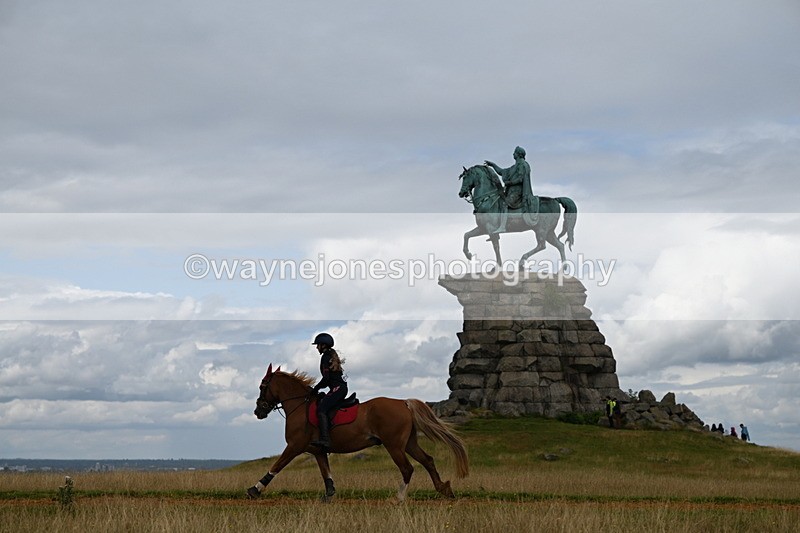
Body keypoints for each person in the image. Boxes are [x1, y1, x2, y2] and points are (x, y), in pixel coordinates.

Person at [484, 146, 538, 232]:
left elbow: (520, 179)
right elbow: (502, 171)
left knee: (504, 204)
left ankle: (502, 227)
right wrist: (493, 165)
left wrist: (510, 183)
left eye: (514, 152)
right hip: (511, 192)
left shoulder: (522, 164)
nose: (513, 154)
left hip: (518, 192)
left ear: (518, 154)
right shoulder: (515, 166)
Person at [309, 332, 347, 450]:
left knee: (321, 410)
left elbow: (326, 379)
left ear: (323, 345)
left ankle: (325, 439)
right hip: (340, 388)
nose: (317, 347)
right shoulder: (331, 354)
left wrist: (315, 388)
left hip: (337, 389)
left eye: (318, 345)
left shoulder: (325, 357)